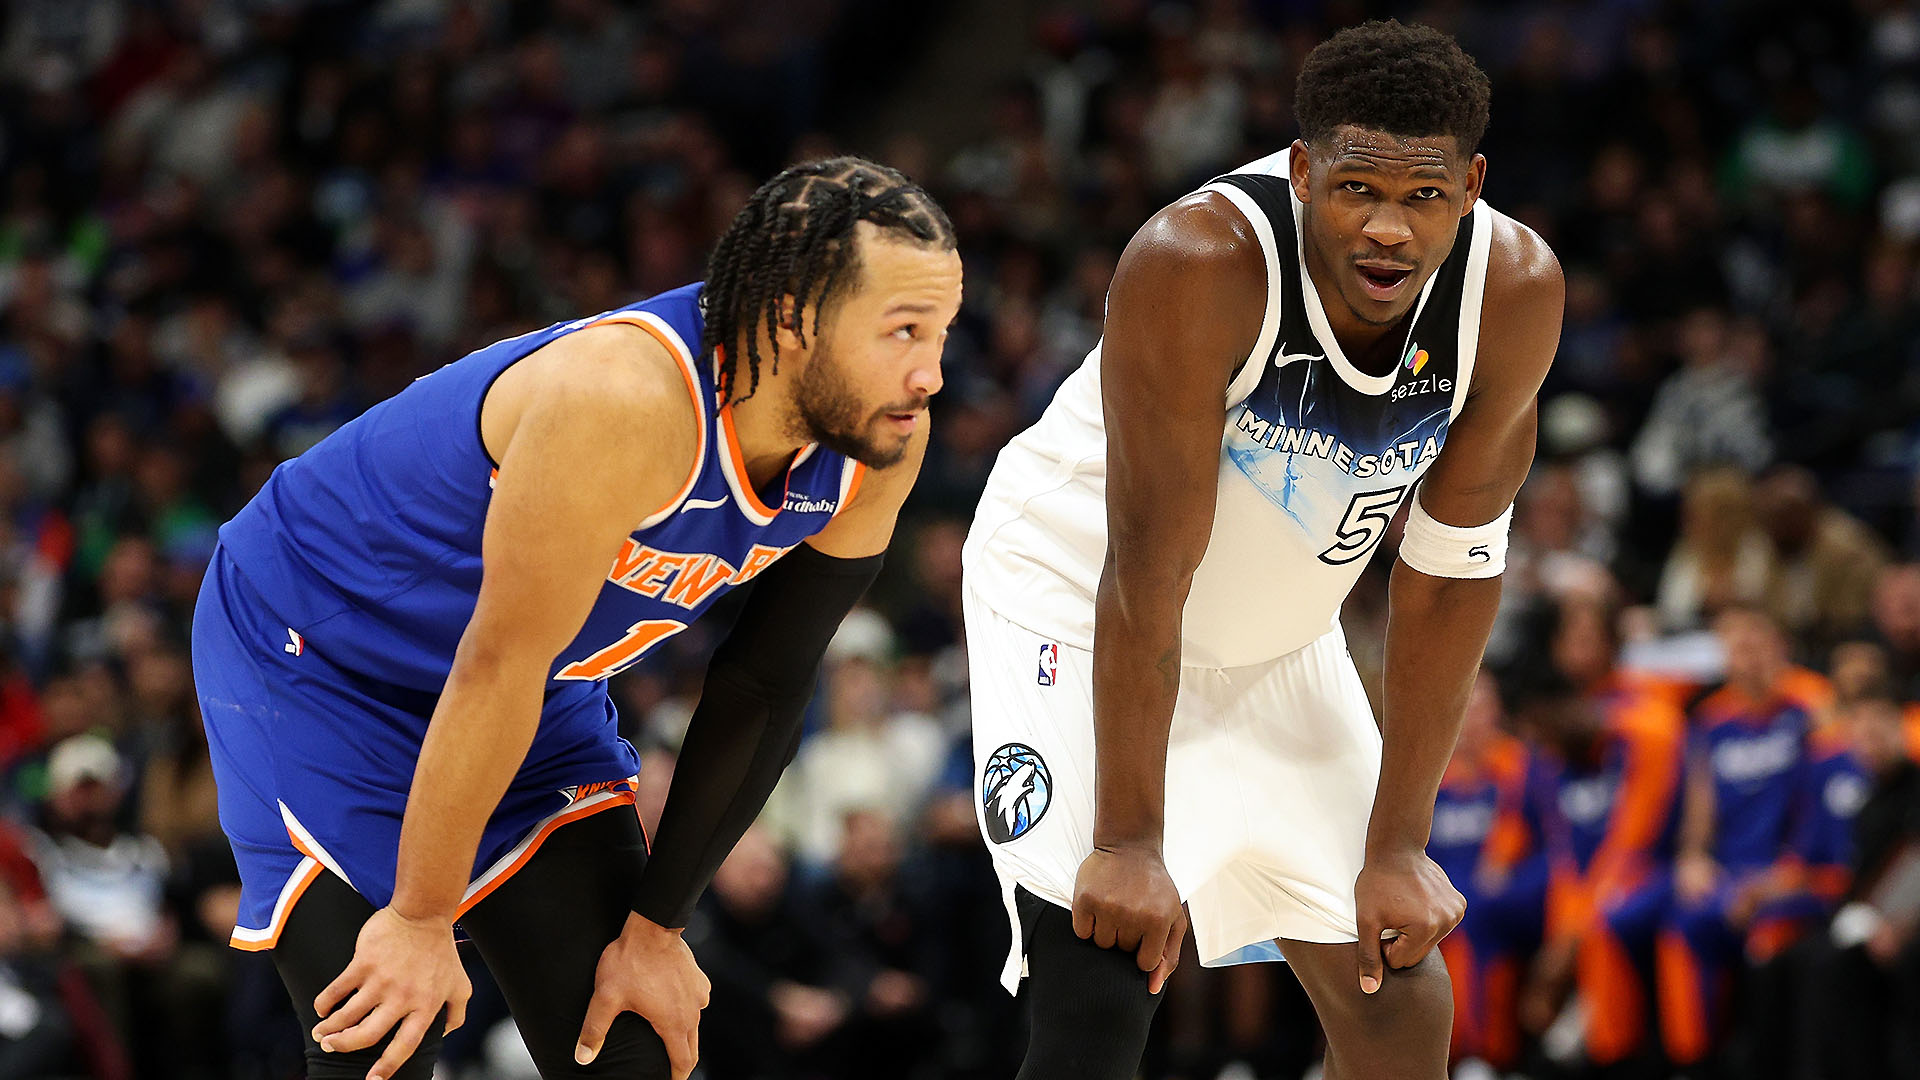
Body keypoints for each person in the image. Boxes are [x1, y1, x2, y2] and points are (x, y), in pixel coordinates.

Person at [189, 157, 961, 1080]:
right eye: (902, 331)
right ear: (794, 318)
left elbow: (766, 683)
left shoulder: (878, 442)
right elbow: (495, 664)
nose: (930, 374)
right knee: (387, 1036)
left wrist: (658, 929)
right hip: (318, 659)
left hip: (528, 684)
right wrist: (421, 916)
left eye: (941, 332)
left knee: (633, 1048)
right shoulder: (622, 399)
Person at [961, 20, 1563, 1080]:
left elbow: (1453, 571)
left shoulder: (1511, 291)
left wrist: (1397, 848)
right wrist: (1130, 843)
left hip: (1278, 637)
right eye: (1356, 190)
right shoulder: (1199, 263)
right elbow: (1147, 571)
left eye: (1423, 196)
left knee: (1400, 993)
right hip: (1076, 598)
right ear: (1302, 172)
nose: (1387, 229)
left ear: (1471, 186)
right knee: (1104, 971)